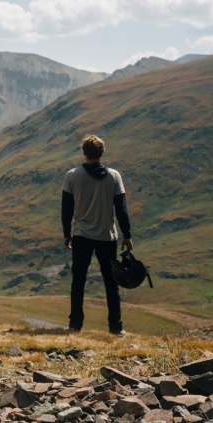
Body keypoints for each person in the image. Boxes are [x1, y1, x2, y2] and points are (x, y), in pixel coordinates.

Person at [61, 134, 133, 334]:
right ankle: (115, 327)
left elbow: (66, 209)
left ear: (84, 152)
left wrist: (67, 234)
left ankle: (75, 325)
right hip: (106, 236)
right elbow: (121, 208)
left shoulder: (72, 175)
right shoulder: (114, 176)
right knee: (111, 283)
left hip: (82, 235)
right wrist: (127, 235)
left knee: (78, 281)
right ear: (102, 152)